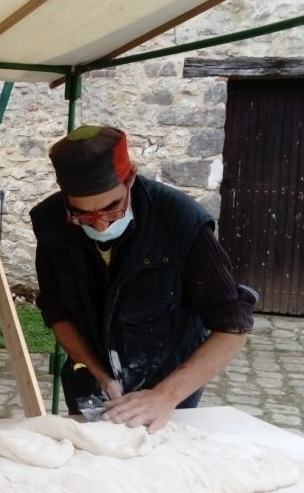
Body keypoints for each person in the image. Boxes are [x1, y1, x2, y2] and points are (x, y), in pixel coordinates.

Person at [30, 125, 254, 433]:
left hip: (168, 383)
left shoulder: (181, 220)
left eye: (111, 207)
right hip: (92, 383)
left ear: (131, 177)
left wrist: (165, 396)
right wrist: (99, 373)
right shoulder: (51, 222)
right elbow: (58, 312)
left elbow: (232, 327)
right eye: (82, 214)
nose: (99, 223)